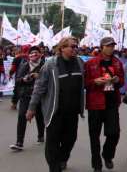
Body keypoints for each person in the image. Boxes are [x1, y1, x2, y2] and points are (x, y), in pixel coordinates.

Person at [27, 37, 85, 172]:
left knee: (70, 139)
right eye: (71, 46)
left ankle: (62, 158)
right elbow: (39, 87)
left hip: (72, 111)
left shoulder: (80, 62)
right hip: (55, 111)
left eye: (76, 46)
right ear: (62, 48)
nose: (74, 49)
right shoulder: (50, 65)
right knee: (52, 143)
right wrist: (31, 108)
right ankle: (54, 168)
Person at [84, 37, 124, 172]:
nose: (111, 48)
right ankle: (97, 165)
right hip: (95, 103)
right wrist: (94, 82)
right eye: (108, 46)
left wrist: (117, 80)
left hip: (112, 102)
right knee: (94, 136)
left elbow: (122, 82)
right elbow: (84, 83)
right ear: (102, 47)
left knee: (114, 133)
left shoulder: (117, 62)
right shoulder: (91, 63)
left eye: (113, 45)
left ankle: (107, 155)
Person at [10, 46, 45, 151]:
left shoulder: (45, 66)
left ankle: (41, 135)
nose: (33, 55)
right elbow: (18, 81)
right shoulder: (24, 65)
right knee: (22, 116)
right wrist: (24, 79)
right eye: (31, 53)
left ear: (40, 54)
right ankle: (19, 142)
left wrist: (38, 76)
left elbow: (49, 80)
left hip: (39, 96)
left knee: (40, 117)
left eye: (36, 53)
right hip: (25, 95)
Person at [9, 45, 30, 110]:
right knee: (28, 91)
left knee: (17, 90)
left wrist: (10, 74)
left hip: (19, 77)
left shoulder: (17, 58)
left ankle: (14, 104)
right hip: (29, 77)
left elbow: (13, 68)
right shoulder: (31, 57)